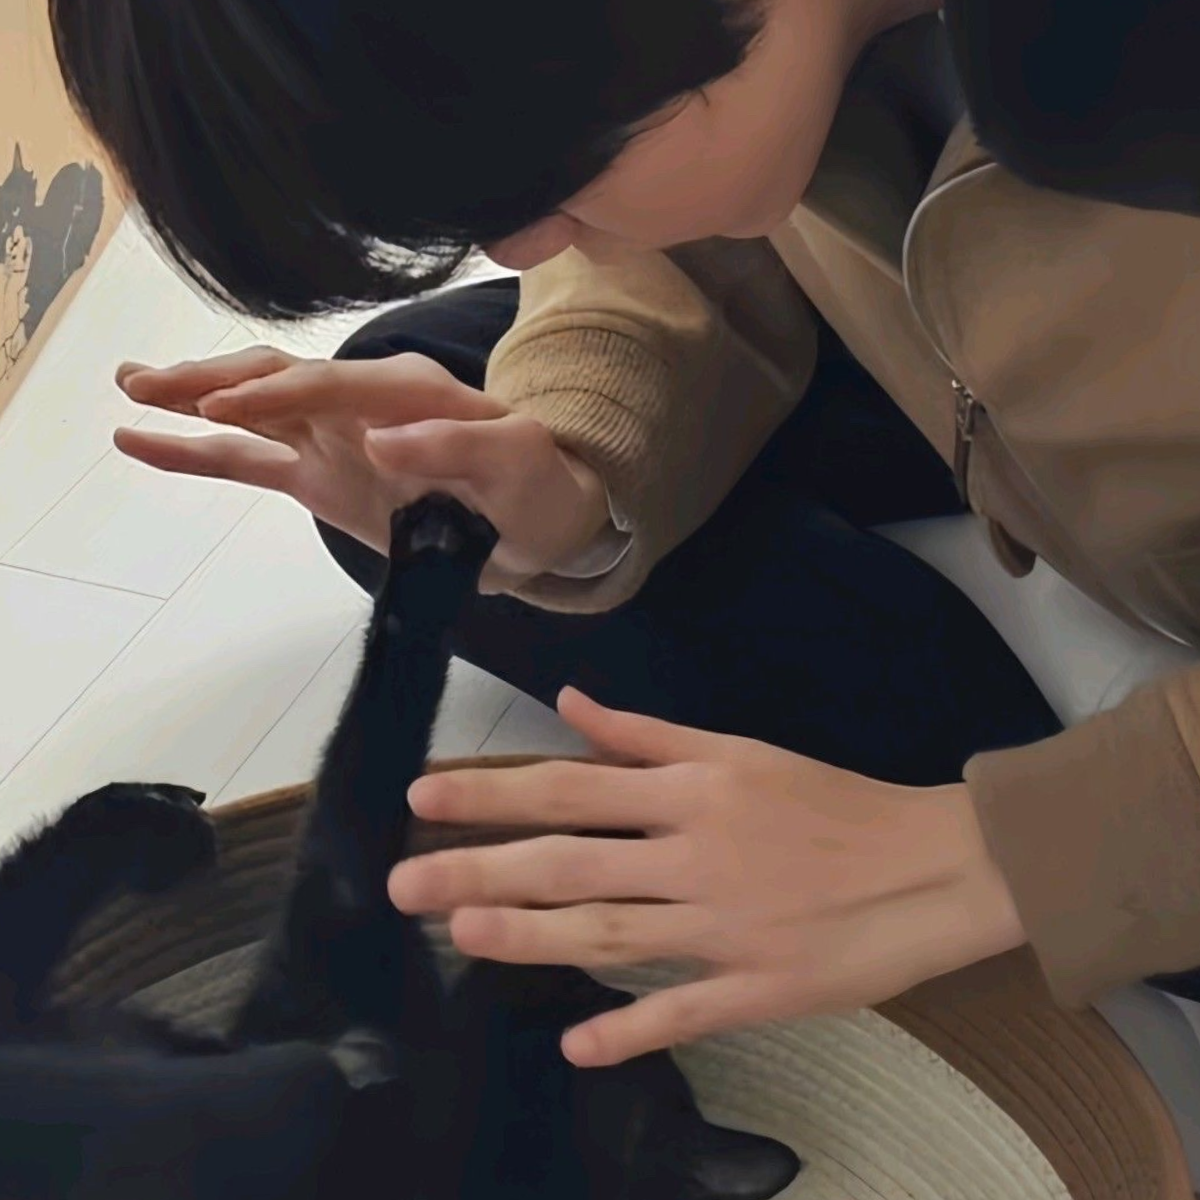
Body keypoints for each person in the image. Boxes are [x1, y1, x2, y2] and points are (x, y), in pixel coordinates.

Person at [51, 0, 1200, 1069]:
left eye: (550, 177)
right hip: (974, 365)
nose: (521, 249)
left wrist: (1008, 854)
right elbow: (692, 231)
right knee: (422, 471)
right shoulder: (713, 46)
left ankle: (965, 839)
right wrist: (568, 474)